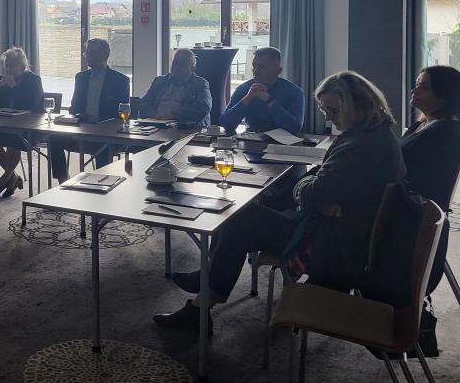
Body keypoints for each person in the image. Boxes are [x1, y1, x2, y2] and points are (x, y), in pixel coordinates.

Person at [154, 71, 405, 333]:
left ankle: (201, 301)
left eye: (333, 110)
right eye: (324, 110)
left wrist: (308, 191)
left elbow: (311, 194)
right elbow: (318, 187)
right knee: (243, 213)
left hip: (330, 242)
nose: (328, 118)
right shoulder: (375, 135)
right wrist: (314, 193)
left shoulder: (359, 147)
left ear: (359, 104)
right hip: (339, 228)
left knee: (238, 219)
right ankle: (205, 291)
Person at [402, 65, 460, 293]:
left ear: (443, 96)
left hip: (412, 217)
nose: (414, 91)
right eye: (416, 85)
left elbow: (420, 182)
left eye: (424, 87)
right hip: (406, 202)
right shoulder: (423, 124)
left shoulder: (445, 134)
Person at [46, 38, 130, 182]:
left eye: (93, 52)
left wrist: (101, 125)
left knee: (103, 145)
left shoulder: (120, 80)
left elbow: (121, 113)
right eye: (87, 53)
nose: (88, 56)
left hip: (106, 132)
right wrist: (76, 117)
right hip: (82, 127)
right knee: (54, 137)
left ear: (105, 55)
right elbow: (74, 107)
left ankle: (102, 183)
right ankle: (63, 181)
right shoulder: (81, 77)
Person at [0, 47, 43, 198]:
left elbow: (32, 105)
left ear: (22, 67)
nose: (8, 69)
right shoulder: (2, 79)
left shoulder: (34, 80)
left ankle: (4, 180)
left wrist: (14, 87)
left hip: (29, 128)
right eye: (7, 65)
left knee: (13, 142)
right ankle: (14, 177)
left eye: (12, 65)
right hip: (7, 125)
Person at [219, 46, 305, 135]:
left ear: (278, 71)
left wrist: (270, 101)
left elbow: (295, 129)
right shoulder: (244, 89)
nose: (255, 71)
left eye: (262, 67)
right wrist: (247, 98)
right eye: (254, 66)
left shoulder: (294, 92)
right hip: (250, 139)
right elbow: (225, 124)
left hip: (282, 142)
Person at [136, 48, 212, 127]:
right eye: (175, 62)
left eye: (182, 64)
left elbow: (203, 107)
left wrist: (174, 116)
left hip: (182, 127)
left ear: (192, 69)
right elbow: (144, 103)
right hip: (156, 124)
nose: (177, 67)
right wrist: (154, 116)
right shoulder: (159, 81)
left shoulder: (200, 84)